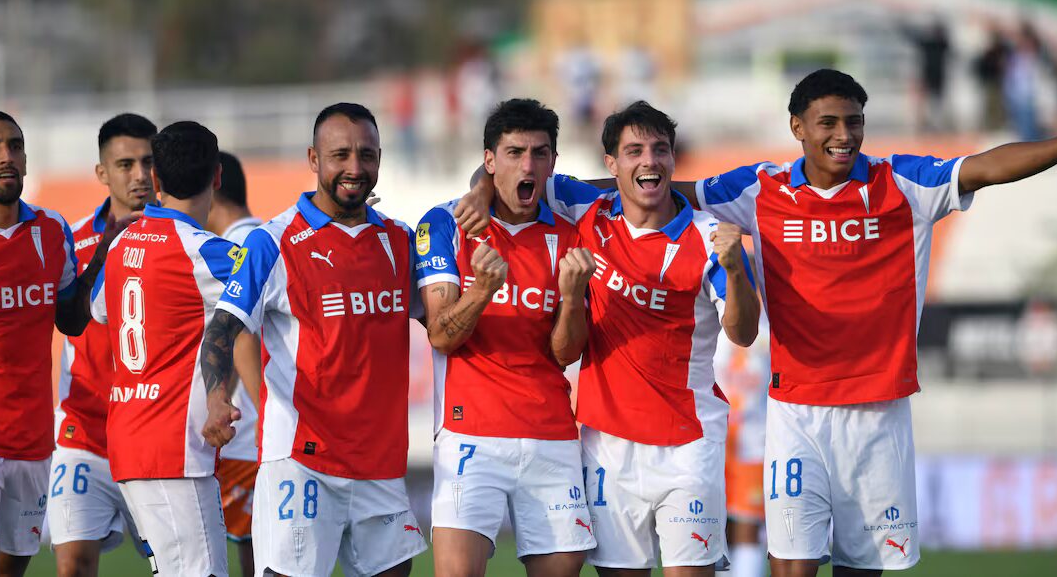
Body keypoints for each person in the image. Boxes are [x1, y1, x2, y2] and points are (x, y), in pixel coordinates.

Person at [687, 69, 1057, 576]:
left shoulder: (904, 183)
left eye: (854, 122)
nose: (843, 135)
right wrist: (560, 195)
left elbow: (987, 168)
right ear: (797, 127)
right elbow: (661, 193)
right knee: (791, 566)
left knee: (861, 570)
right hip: (795, 412)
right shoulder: (761, 189)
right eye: (828, 123)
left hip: (879, 416)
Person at [461, 100, 760, 575]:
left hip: (688, 442)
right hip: (606, 445)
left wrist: (735, 271)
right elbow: (514, 166)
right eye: (634, 150)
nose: (650, 161)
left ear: (673, 158)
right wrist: (478, 192)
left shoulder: (709, 239)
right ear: (612, 164)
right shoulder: (586, 207)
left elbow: (743, 334)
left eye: (661, 150)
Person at [200, 103, 427, 577]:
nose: (354, 168)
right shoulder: (274, 241)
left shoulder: (401, 241)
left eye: (366, 155)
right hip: (303, 461)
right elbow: (222, 329)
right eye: (340, 154)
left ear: (381, 158)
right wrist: (218, 398)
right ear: (313, 159)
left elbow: (445, 325)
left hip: (380, 464)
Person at [416, 98, 596, 576]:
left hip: (551, 435)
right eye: (514, 152)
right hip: (469, 435)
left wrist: (573, 298)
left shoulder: (571, 234)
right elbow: (441, 336)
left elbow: (565, 353)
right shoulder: (446, 224)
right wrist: (481, 291)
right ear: (489, 161)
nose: (528, 164)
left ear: (554, 162)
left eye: (540, 153)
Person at [90, 121, 237, 577]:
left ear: (155, 180)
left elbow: (99, 311)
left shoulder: (120, 246)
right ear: (216, 177)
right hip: (173, 445)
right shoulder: (204, 252)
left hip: (129, 437)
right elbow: (265, 276)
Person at [0, 110, 116, 577]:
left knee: (11, 568)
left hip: (34, 436)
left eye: (15, 146)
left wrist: (100, 257)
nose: (7, 157)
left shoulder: (51, 229)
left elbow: (71, 321)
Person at [48, 113, 156, 577]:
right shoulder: (70, 241)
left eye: (148, 162)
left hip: (154, 435)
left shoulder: (185, 238)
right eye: (126, 164)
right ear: (101, 173)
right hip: (83, 433)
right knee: (73, 565)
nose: (139, 176)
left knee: (173, 567)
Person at [205, 151, 263, 577]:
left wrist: (266, 411)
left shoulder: (236, 249)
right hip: (271, 432)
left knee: (258, 555)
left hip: (253, 439)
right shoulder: (269, 235)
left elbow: (243, 333)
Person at [715, 310, 771, 577]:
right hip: (713, 436)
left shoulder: (770, 323)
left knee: (747, 524)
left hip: (752, 440)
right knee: (713, 524)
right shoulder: (709, 312)